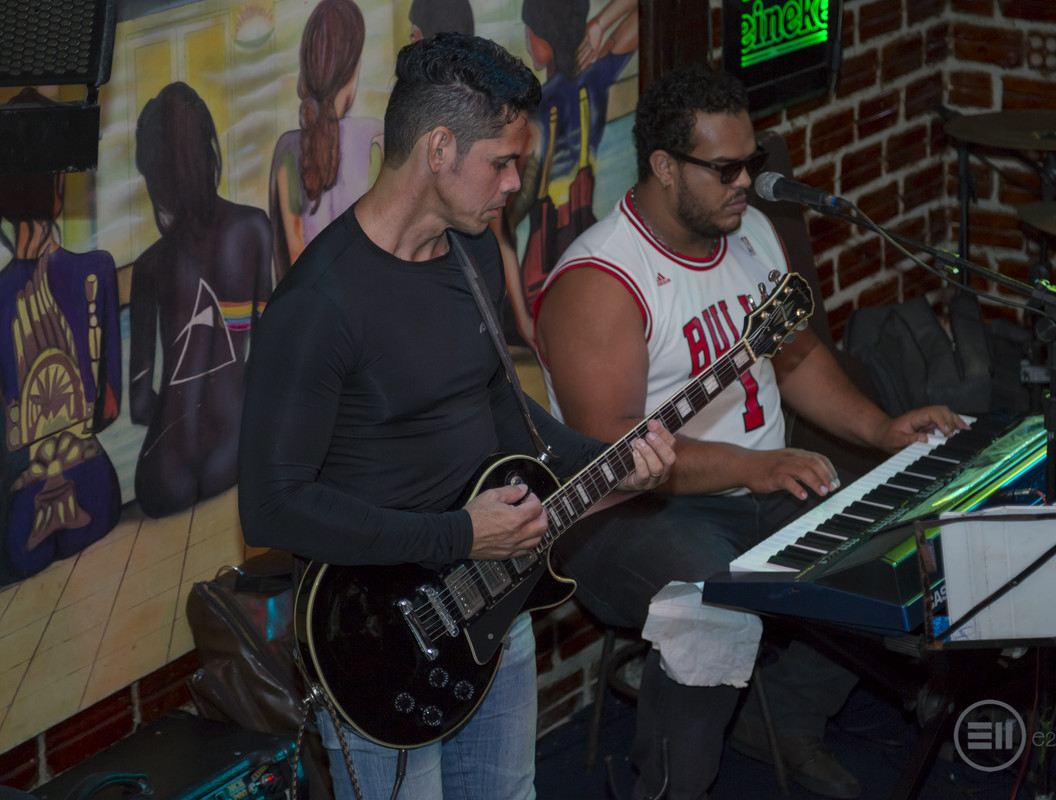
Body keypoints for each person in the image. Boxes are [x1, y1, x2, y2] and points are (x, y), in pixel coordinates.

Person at [237, 33, 676, 800]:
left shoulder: (472, 251)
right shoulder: (317, 305)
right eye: (502, 163)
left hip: (495, 598)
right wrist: (460, 536)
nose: (514, 183)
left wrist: (612, 460)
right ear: (438, 149)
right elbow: (271, 507)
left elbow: (502, 405)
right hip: (376, 640)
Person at [533, 63, 965, 800]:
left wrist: (881, 427)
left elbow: (796, 356)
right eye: (726, 168)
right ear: (665, 166)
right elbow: (614, 450)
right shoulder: (601, 281)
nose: (746, 182)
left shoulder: (753, 231)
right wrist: (749, 467)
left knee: (887, 539)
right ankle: (668, 788)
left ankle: (782, 719)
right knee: (711, 611)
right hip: (624, 515)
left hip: (754, 482)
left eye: (752, 161)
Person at [130, 82, 273, 519]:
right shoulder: (254, 229)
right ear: (211, 150)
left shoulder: (148, 266)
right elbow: (268, 358)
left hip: (162, 477)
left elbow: (139, 405)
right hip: (233, 453)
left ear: (155, 176)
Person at [0, 88, 122, 584]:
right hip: (96, 491)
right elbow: (108, 409)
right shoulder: (97, 271)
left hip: (20, 516)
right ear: (58, 185)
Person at [497, 0, 637, 346]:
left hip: (546, 285)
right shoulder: (596, 79)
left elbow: (502, 229)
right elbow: (643, 12)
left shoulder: (533, 120)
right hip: (596, 266)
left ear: (544, 39)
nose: (527, 38)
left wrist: (523, 322)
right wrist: (600, 23)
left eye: (530, 30)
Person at [269, 0, 382, 277]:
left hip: (310, 301)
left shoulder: (286, 151)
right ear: (353, 69)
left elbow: (295, 259)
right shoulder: (375, 139)